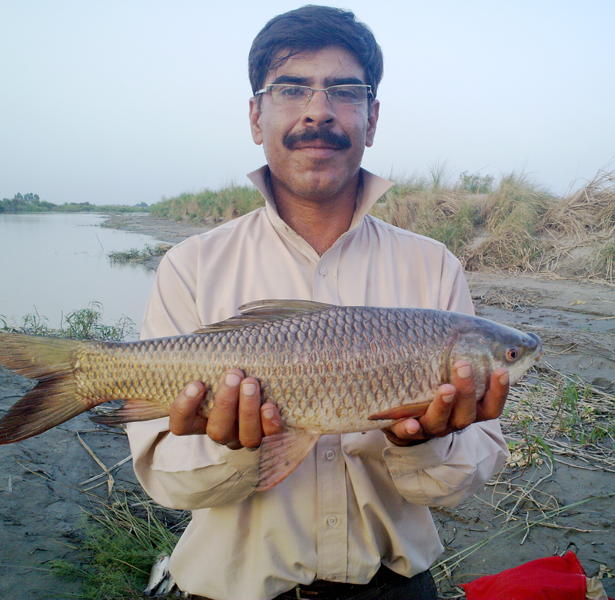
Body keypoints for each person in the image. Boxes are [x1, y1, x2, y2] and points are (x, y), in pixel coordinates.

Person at [127, 6, 510, 600]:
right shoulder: (191, 265)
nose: (318, 111)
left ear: (371, 118)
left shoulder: (434, 266)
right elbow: (169, 484)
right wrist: (236, 450)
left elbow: (458, 485)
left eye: (345, 91)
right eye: (291, 89)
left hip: (395, 584)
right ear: (255, 116)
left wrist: (423, 442)